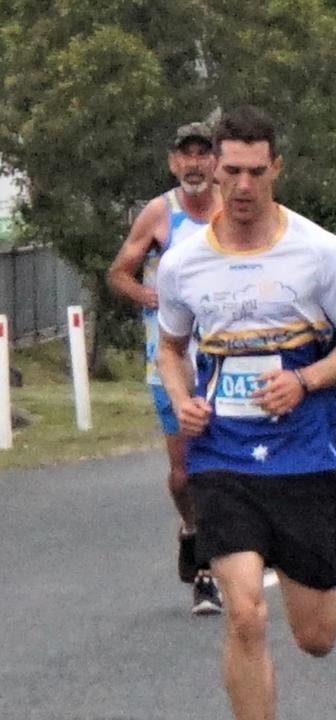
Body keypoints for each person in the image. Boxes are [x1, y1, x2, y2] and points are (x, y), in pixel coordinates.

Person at [155, 105, 336, 720]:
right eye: (231, 170)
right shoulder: (183, 260)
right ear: (213, 167)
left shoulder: (319, 252)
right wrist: (181, 399)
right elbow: (171, 349)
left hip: (306, 455)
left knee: (317, 638)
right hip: (223, 456)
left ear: (276, 168)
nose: (242, 186)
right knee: (246, 613)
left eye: (256, 171)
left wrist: (306, 380)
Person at [107, 120, 224, 614]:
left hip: (224, 359)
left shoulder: (232, 210)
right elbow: (118, 272)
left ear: (215, 161)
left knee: (218, 467)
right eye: (186, 155)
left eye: (203, 154)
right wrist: (153, 296)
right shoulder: (161, 213)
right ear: (173, 162)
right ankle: (192, 528)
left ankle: (208, 571)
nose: (195, 164)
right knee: (182, 474)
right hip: (171, 361)